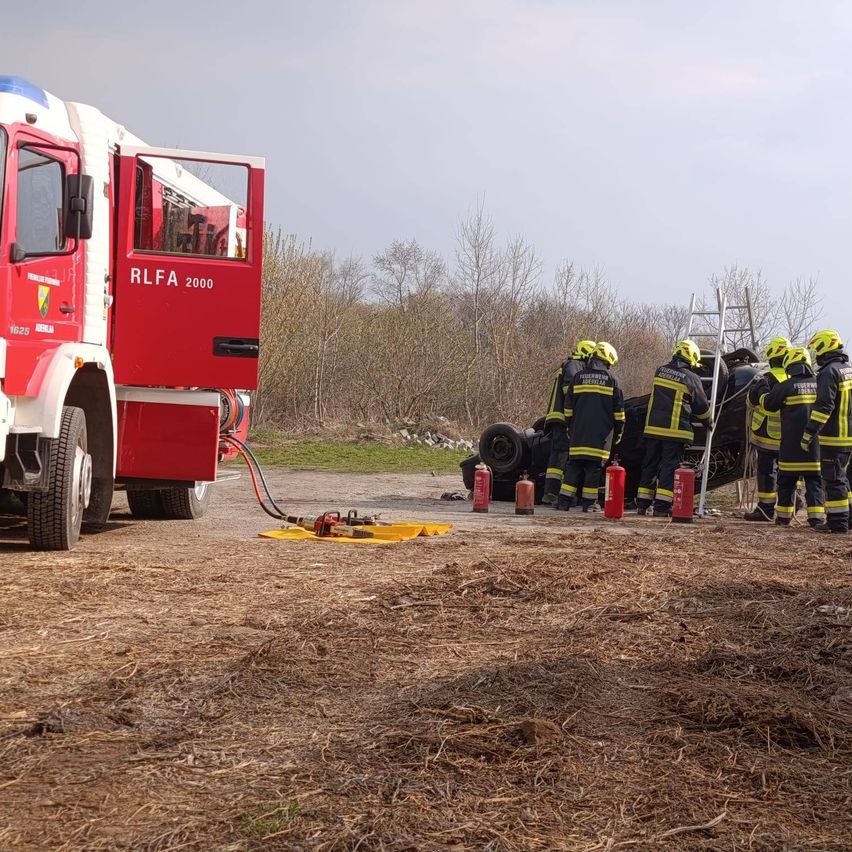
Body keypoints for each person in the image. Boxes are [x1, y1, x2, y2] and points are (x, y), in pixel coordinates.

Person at [636, 339, 710, 517]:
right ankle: (662, 507)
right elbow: (700, 406)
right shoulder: (691, 378)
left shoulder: (660, 371)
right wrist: (709, 421)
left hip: (653, 429)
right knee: (669, 467)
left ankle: (643, 505)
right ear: (692, 357)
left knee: (650, 465)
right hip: (675, 431)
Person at [762, 347, 826, 528]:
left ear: (789, 366)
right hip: (815, 446)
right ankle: (816, 519)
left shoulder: (785, 387)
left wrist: (761, 392)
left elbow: (769, 405)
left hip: (790, 447)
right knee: (815, 482)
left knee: (787, 482)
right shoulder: (820, 384)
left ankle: (783, 518)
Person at [556, 341, 624, 511]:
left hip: (578, 433)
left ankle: (563, 502)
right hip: (601, 436)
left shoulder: (578, 378)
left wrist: (571, 427)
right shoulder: (612, 380)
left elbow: (568, 408)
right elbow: (619, 413)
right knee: (594, 468)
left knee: (574, 466)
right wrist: (618, 434)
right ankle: (589, 503)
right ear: (607, 360)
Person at [802, 330, 852, 533]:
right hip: (849, 436)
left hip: (835, 437)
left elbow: (824, 406)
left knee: (834, 479)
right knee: (846, 479)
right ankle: (848, 518)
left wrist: (809, 433)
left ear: (824, 347)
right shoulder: (847, 369)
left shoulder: (828, 373)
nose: (816, 355)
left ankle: (838, 522)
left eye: (816, 350)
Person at [541, 339, 596, 505]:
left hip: (566, 417)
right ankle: (551, 493)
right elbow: (569, 391)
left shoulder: (577, 366)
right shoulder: (573, 365)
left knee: (564, 454)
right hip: (562, 417)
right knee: (560, 454)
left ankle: (561, 492)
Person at [743, 336, 791, 521]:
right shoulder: (794, 379)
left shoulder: (765, 378)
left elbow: (751, 401)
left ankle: (765, 509)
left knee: (766, 471)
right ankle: (792, 504)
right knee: (790, 472)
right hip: (790, 437)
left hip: (767, 437)